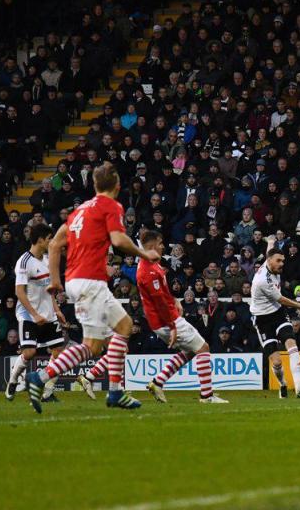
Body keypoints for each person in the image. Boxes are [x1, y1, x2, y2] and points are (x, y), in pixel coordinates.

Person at [26, 163, 162, 413]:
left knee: (116, 331)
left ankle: (113, 391)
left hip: (76, 281)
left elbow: (55, 244)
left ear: (95, 184)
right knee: (94, 344)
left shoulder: (79, 211)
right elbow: (119, 239)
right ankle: (44, 378)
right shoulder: (111, 205)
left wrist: (56, 281)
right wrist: (145, 253)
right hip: (91, 281)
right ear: (118, 185)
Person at [136, 229, 227, 404]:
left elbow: (162, 294)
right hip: (166, 321)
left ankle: (158, 382)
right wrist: (173, 327)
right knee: (203, 348)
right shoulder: (148, 271)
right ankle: (206, 395)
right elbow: (160, 303)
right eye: (161, 243)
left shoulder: (151, 264)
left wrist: (175, 300)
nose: (163, 247)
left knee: (190, 351)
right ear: (153, 245)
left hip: (163, 320)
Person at [5, 224, 68, 403]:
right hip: (28, 313)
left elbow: (50, 290)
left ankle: (47, 391)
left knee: (59, 352)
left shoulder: (49, 260)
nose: (52, 242)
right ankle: (13, 380)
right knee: (30, 353)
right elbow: (19, 292)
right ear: (40, 240)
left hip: (48, 313)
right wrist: (34, 314)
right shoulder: (24, 261)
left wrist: (57, 310)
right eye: (49, 238)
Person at [251, 236, 300, 399]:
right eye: (278, 261)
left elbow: (269, 253)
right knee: (277, 362)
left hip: (278, 314)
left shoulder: (269, 263)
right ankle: (283, 385)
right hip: (262, 320)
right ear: (270, 261)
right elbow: (281, 299)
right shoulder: (262, 281)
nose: (281, 264)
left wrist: (271, 243)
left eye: (283, 261)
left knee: (292, 346)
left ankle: (299, 390)